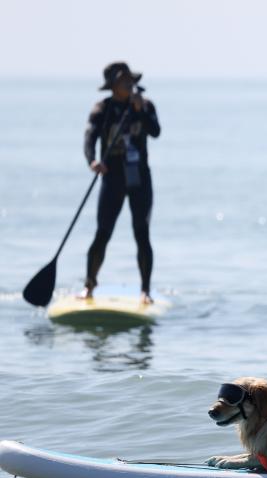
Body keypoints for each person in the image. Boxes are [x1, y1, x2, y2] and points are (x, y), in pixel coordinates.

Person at [82, 62, 161, 303]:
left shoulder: (145, 105)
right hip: (113, 177)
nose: (128, 84)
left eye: (130, 80)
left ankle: (145, 291)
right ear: (113, 86)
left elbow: (155, 131)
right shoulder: (102, 108)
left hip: (139, 178)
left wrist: (140, 111)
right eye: (123, 80)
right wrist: (92, 161)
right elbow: (90, 137)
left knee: (142, 234)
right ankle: (90, 286)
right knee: (102, 233)